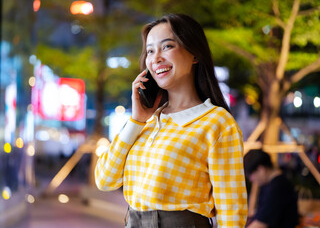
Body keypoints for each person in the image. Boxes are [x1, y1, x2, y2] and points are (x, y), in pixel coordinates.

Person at [95, 13, 248, 227]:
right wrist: (136, 120)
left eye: (167, 47)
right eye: (150, 50)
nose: (155, 58)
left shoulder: (216, 123)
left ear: (194, 53)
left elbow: (231, 211)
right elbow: (104, 180)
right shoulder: (145, 121)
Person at [244, 149, 299, 228]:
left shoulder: (278, 187)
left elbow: (260, 223)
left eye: (251, 175)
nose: (251, 179)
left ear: (261, 169)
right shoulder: (269, 185)